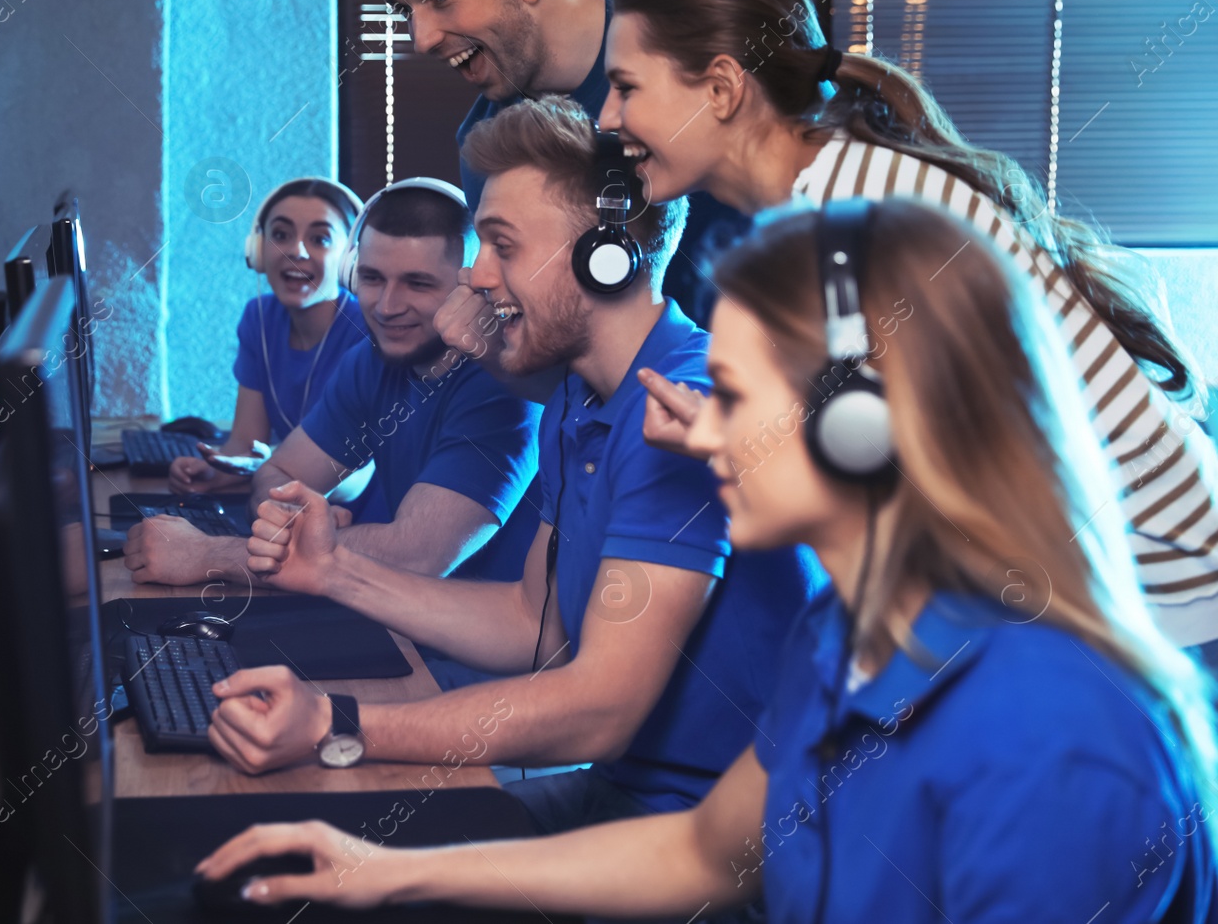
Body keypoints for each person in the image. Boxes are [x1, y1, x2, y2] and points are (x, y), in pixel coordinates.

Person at [197, 199, 1218, 923]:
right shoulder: (849, 630)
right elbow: (702, 850)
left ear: (861, 422)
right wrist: (381, 871)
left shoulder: (1052, 733)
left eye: (729, 393)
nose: (694, 426)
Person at [587, 0, 1218, 649]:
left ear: (724, 88)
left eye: (627, 86)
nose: (607, 117)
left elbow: (906, 489)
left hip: (1172, 602)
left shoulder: (862, 213)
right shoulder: (826, 199)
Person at [210, 98, 818, 841]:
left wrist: (338, 722)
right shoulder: (577, 398)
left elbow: (599, 707)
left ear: (608, 253)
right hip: (627, 797)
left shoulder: (678, 406)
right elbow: (533, 621)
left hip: (721, 836)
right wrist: (335, 570)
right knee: (284, 842)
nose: (476, 274)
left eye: (501, 244)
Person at [358, 0, 743, 318]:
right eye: (405, 11)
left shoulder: (699, 33)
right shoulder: (486, 151)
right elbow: (550, 345)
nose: (420, 40)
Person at [123, 178, 541, 592]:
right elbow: (278, 472)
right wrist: (296, 520)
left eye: (418, 283)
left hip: (479, 654)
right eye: (373, 279)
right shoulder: (371, 362)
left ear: (472, 291)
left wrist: (206, 555)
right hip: (395, 617)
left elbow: (415, 555)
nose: (388, 307)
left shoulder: (505, 389)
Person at [167, 177, 369, 497]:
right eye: (280, 235)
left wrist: (275, 467)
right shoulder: (259, 319)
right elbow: (247, 443)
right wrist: (214, 470)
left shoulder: (367, 330)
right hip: (283, 502)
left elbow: (356, 472)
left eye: (320, 239)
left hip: (354, 513)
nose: (296, 251)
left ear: (350, 259)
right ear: (259, 251)